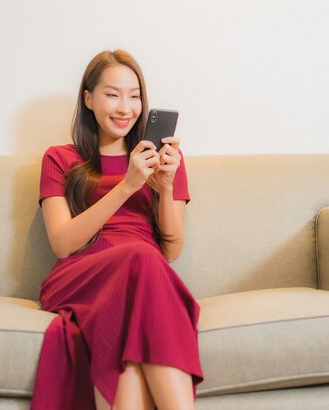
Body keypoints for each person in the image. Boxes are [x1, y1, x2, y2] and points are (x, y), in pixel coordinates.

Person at [30, 49, 203, 410]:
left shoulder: (164, 160)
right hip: (81, 274)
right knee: (142, 256)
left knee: (144, 265)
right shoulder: (59, 158)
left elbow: (169, 252)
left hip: (143, 276)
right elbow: (62, 243)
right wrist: (127, 185)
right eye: (112, 94)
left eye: (135, 95)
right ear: (89, 99)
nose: (125, 107)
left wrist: (166, 185)